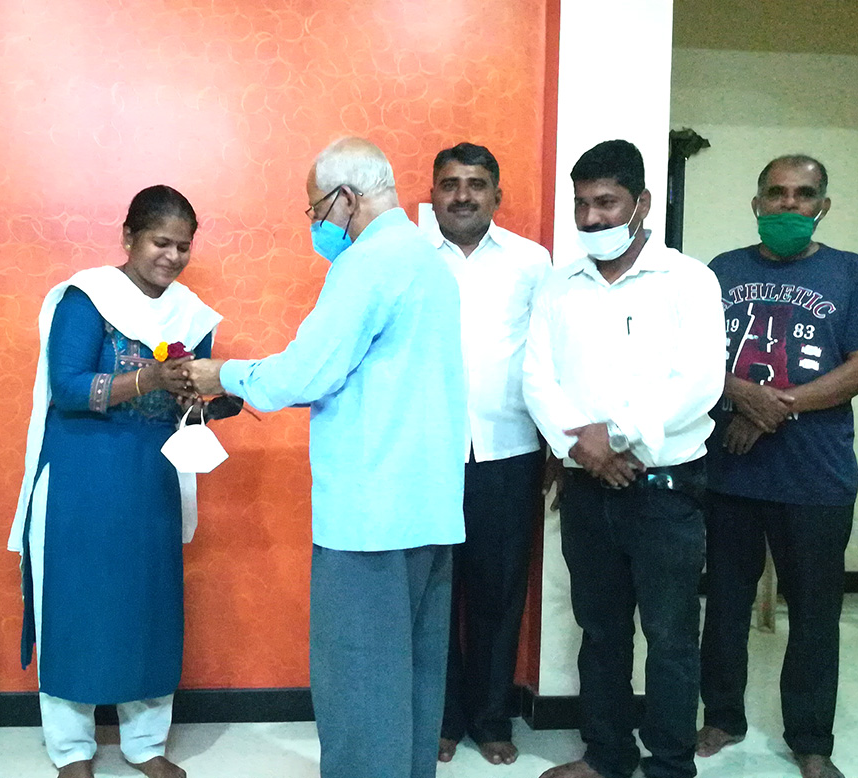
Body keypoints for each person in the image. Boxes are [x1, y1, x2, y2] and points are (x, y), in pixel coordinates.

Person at [182, 137, 467, 778]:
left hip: (369, 519)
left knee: (361, 687)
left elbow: (304, 375)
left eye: (316, 210)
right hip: (429, 509)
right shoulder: (428, 261)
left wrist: (223, 374)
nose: (315, 225)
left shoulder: (367, 265)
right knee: (414, 681)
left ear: (346, 198)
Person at [522, 140, 724, 778]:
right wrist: (578, 444)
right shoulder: (560, 284)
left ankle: (669, 766)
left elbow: (700, 381)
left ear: (641, 203)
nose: (591, 219)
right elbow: (536, 377)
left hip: (665, 492)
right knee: (600, 634)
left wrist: (618, 434)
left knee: (669, 641)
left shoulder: (688, 279)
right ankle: (606, 755)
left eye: (605, 203)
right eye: (581, 204)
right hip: (586, 490)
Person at [9, 185, 225, 778]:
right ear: (128, 237)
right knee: (77, 606)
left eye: (183, 246)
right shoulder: (87, 298)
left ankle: (146, 744)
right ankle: (72, 749)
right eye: (161, 242)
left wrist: (213, 403)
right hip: (82, 478)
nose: (173, 256)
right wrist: (149, 378)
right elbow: (69, 389)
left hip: (152, 479)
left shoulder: (193, 313)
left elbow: (186, 408)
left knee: (149, 606)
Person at [697, 155, 858, 778]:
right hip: (729, 471)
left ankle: (810, 739)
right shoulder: (721, 271)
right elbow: (686, 358)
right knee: (725, 600)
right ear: (756, 202)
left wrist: (770, 407)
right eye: (775, 194)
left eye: (803, 195)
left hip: (817, 477)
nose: (787, 205)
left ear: (822, 207)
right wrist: (739, 395)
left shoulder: (850, 273)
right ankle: (723, 715)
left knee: (813, 611)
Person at [424, 142, 551, 766]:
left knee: (500, 592)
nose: (463, 195)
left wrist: (558, 442)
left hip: (511, 449)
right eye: (450, 183)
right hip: (427, 451)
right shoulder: (410, 260)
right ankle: (443, 718)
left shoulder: (533, 262)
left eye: (476, 184)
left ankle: (492, 718)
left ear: (497, 196)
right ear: (432, 194)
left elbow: (548, 355)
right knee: (435, 591)